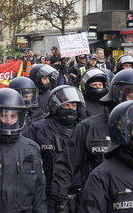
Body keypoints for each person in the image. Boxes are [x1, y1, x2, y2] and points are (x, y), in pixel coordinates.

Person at [51, 69, 133, 212]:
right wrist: (61, 201)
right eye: (132, 97)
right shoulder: (89, 127)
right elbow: (66, 166)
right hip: (97, 201)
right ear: (117, 95)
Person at [23, 85, 86, 213]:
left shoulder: (84, 128)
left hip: (80, 196)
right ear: (56, 106)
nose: (70, 109)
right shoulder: (38, 129)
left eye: (73, 106)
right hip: (48, 196)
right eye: (66, 106)